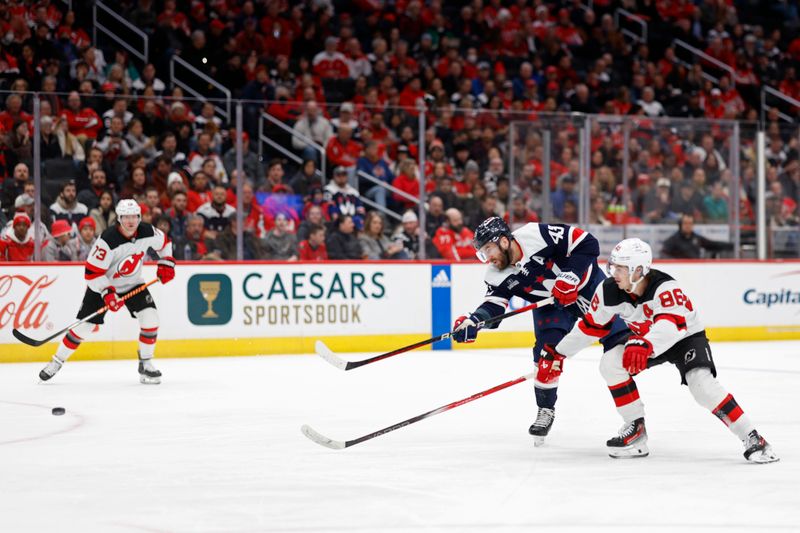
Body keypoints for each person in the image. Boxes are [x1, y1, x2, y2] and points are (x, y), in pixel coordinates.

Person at [538, 238, 778, 463]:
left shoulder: (665, 288)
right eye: (613, 267)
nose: (614, 273)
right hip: (645, 340)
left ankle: (754, 438)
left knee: (701, 385)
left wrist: (645, 343)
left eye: (621, 268)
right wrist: (558, 352)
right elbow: (591, 326)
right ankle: (636, 430)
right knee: (610, 363)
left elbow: (671, 325)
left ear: (639, 270)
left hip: (684, 337)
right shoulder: (608, 290)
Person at [452, 217, 628, 445]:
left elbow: (588, 244)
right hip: (551, 305)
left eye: (488, 249)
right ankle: (546, 410)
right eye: (482, 253)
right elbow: (493, 308)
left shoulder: (536, 235)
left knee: (621, 346)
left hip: (588, 289)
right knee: (545, 356)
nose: (488, 259)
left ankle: (633, 419)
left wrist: (570, 276)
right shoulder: (495, 274)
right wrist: (475, 321)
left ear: (504, 242)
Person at [39, 200, 175, 385]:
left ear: (139, 217)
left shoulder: (148, 231)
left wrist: (166, 262)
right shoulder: (107, 240)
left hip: (133, 284)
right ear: (119, 218)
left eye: (134, 216)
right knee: (84, 327)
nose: (130, 221)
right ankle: (57, 361)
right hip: (103, 285)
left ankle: (146, 364)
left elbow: (165, 242)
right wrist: (108, 293)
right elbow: (92, 273)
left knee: (151, 318)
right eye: (126, 217)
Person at [661, 214, 733, 259]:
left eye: (690, 223)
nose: (688, 226)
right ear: (680, 225)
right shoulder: (673, 240)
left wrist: (732, 246)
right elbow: (663, 253)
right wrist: (677, 263)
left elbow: (712, 244)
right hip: (680, 270)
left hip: (696, 269)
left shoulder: (696, 238)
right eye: (685, 223)